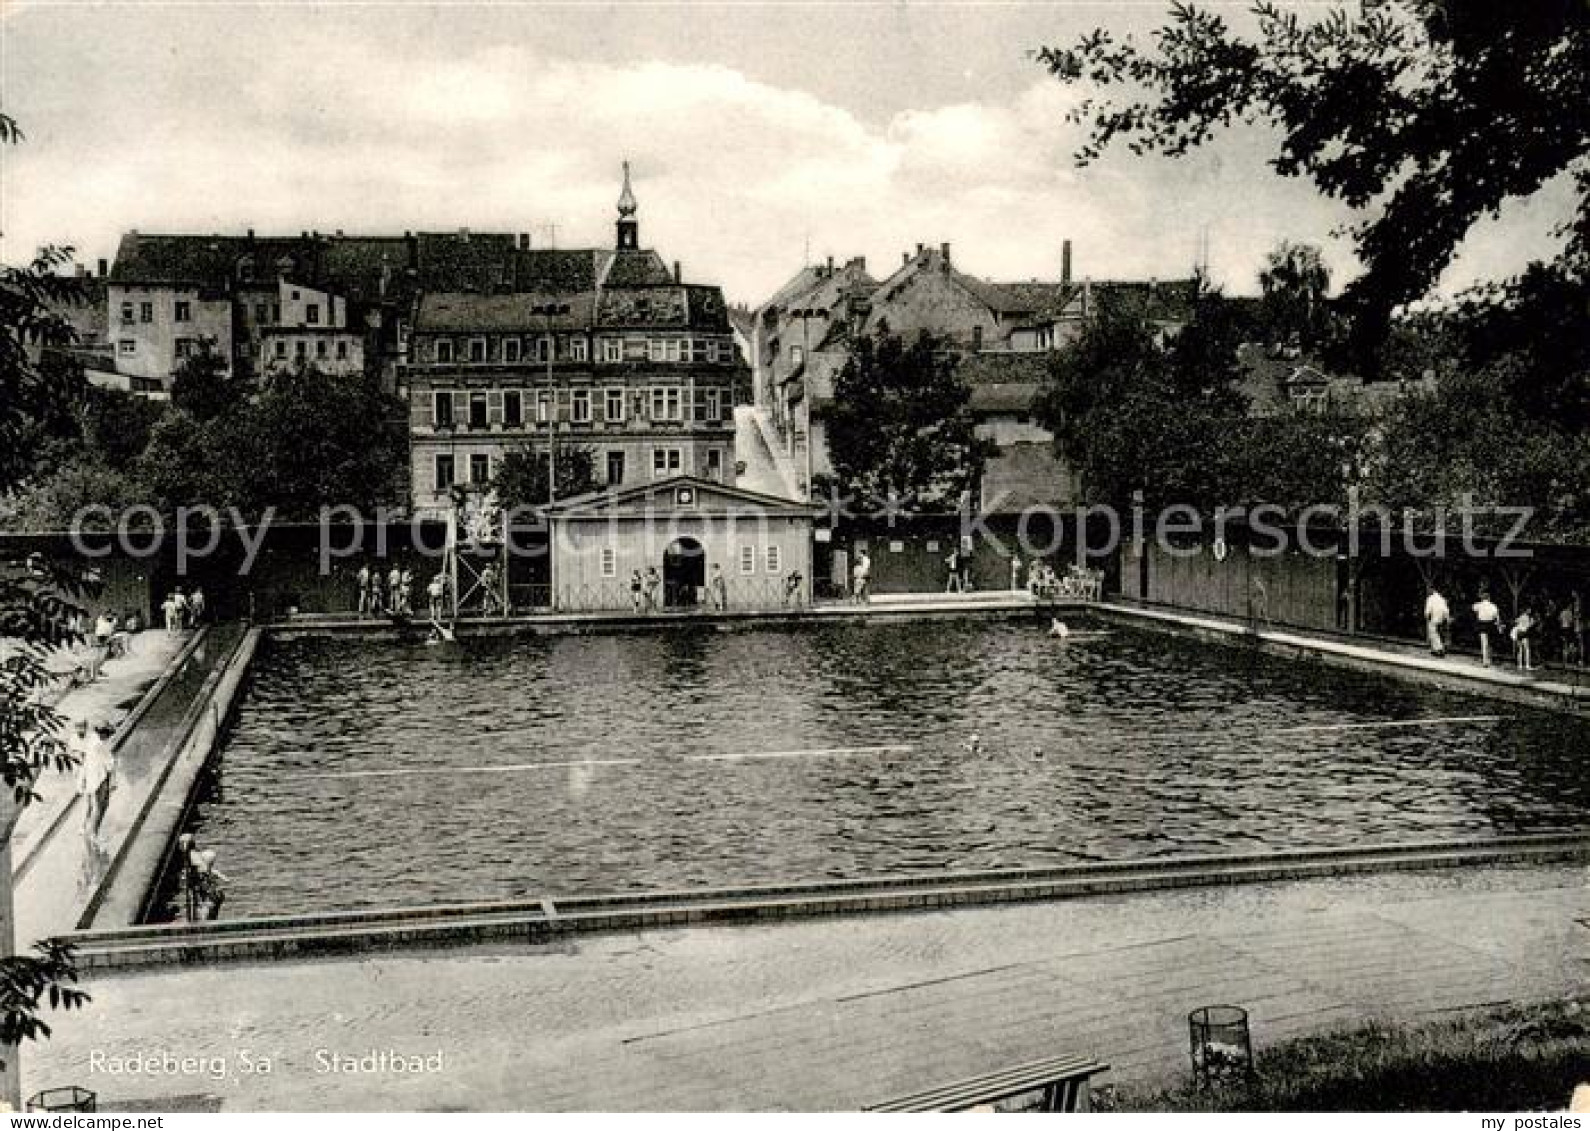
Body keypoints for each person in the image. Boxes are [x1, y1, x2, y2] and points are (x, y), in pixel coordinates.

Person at [73, 718, 116, 846]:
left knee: (95, 805)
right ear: (103, 733)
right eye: (107, 734)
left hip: (92, 777)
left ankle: (90, 831)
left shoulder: (92, 740)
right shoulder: (99, 745)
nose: (107, 737)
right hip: (99, 778)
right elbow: (109, 764)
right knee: (100, 806)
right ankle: (93, 834)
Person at [1472, 588, 1502, 667]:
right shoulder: (1493, 606)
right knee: (1490, 643)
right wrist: (1499, 626)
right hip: (1490, 624)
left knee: (1484, 643)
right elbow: (1497, 617)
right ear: (1489, 598)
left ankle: (1485, 661)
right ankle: (1490, 658)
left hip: (1482, 624)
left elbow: (1473, 609)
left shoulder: (1478, 605)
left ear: (1482, 598)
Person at [1423, 585, 1451, 657]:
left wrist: (1426, 615)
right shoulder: (1441, 598)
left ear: (1432, 589)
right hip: (1441, 618)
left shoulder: (1430, 598)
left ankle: (1439, 648)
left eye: (1428, 590)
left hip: (1433, 617)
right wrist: (1447, 618)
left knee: (1433, 633)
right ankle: (1434, 649)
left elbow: (1428, 609)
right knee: (1436, 633)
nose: (1428, 591)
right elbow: (1446, 610)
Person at [1511, 607, 1536, 672]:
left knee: (1520, 650)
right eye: (1529, 610)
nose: (1530, 611)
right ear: (1527, 610)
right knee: (1527, 649)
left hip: (1519, 633)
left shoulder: (1521, 616)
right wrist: (1532, 623)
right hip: (1524, 634)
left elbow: (1515, 621)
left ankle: (1520, 665)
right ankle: (1527, 665)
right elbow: (1527, 626)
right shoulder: (1527, 617)